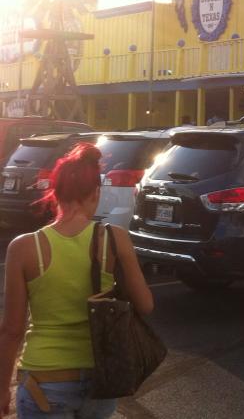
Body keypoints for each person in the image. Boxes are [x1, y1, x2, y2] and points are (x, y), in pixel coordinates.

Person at [0, 142, 155, 418]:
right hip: (101, 379)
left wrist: (2, 389)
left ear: (55, 192)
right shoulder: (115, 239)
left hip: (44, 381)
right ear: (96, 193)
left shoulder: (23, 248)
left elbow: (12, 330)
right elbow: (145, 305)